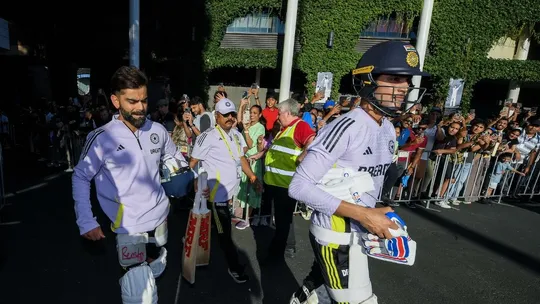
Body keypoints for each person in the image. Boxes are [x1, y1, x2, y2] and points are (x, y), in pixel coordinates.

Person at [288, 41, 427, 304]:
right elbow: (299, 187)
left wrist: (378, 209)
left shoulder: (387, 127)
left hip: (358, 233)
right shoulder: (348, 126)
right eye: (395, 78)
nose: (406, 87)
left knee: (320, 297)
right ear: (368, 80)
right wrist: (365, 214)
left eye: (407, 80)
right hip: (335, 235)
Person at [72, 66, 189, 303]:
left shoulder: (158, 130)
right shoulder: (101, 138)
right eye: (132, 101)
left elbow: (172, 157)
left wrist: (187, 176)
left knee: (155, 275)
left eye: (144, 100)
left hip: (160, 222)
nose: (140, 107)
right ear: (116, 101)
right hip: (128, 229)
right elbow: (81, 177)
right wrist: (86, 220)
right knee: (140, 295)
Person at [189, 98, 262, 283]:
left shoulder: (236, 134)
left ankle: (197, 248)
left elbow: (241, 158)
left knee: (217, 228)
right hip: (215, 195)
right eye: (225, 115)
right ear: (217, 116)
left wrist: (253, 177)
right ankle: (234, 268)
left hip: (230, 193)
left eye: (232, 114)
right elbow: (193, 162)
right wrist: (197, 179)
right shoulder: (208, 136)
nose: (230, 118)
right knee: (225, 235)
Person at [264, 98, 315, 260]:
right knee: (281, 221)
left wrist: (303, 155)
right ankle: (284, 247)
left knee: (282, 222)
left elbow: (313, 143)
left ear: (287, 112)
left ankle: (275, 255)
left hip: (285, 185)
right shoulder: (287, 128)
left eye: (279, 113)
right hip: (276, 183)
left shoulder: (300, 126)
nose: (278, 116)